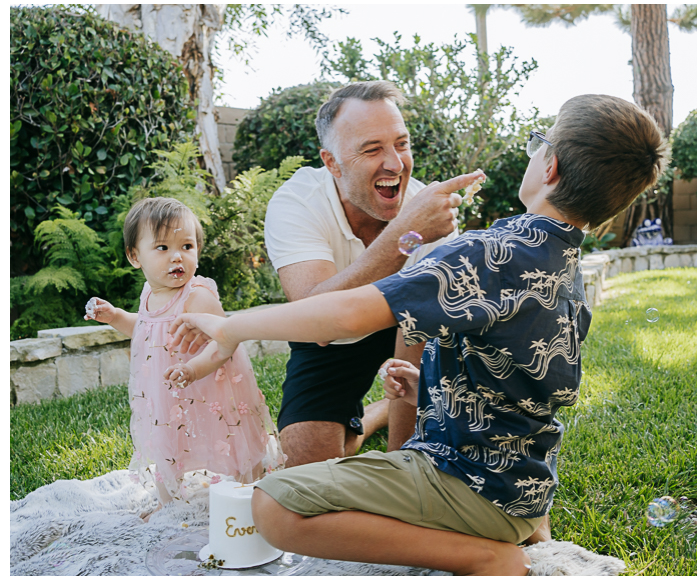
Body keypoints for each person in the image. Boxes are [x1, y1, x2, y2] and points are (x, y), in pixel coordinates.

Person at [167, 94, 668, 576]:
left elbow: (344, 316)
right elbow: (522, 381)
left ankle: (486, 559)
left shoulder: (489, 252)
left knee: (273, 504)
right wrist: (429, 384)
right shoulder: (567, 267)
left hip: (465, 483)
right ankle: (513, 533)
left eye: (541, 140)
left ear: (550, 166)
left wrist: (230, 326)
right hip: (525, 490)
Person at [262, 81, 476, 467]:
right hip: (333, 338)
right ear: (332, 163)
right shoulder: (296, 203)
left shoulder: (427, 208)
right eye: (372, 149)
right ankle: (372, 414)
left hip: (408, 328)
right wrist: (406, 235)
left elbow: (428, 325)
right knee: (307, 467)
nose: (395, 164)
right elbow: (317, 322)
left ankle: (394, 434)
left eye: (401, 143)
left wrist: (402, 464)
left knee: (421, 326)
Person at [85, 196, 282, 510]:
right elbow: (148, 330)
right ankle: (171, 501)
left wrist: (192, 370)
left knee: (229, 435)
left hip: (210, 385)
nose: (177, 257)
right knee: (170, 439)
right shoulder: (150, 293)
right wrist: (116, 317)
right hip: (168, 392)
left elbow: (224, 342)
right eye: (163, 248)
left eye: (187, 246)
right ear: (135, 256)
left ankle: (247, 492)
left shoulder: (198, 296)